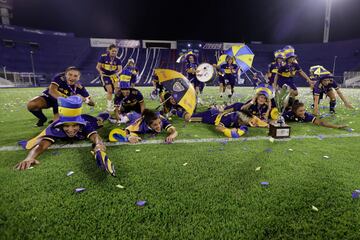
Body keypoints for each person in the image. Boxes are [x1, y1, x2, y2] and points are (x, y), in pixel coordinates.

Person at [16, 96, 116, 176]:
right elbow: (41, 145)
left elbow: (95, 136)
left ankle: (106, 113)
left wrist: (98, 145)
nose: (71, 130)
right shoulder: (55, 127)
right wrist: (29, 157)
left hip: (88, 119)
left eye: (75, 125)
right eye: (67, 126)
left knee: (99, 120)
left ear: (79, 124)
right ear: (61, 124)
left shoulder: (85, 124)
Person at [27, 66, 94, 127]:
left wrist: (85, 99)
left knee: (56, 125)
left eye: (75, 76)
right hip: (49, 98)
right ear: (65, 74)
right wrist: (67, 100)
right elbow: (52, 91)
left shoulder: (80, 87)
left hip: (61, 105)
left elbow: (92, 103)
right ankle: (42, 119)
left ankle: (56, 120)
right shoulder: (60, 78)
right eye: (70, 75)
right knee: (31, 104)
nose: (72, 78)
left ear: (79, 77)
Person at [109, 109, 178, 144]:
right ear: (148, 125)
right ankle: (116, 116)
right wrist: (129, 137)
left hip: (142, 116)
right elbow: (118, 133)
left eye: (159, 123)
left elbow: (174, 130)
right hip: (133, 116)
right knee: (122, 120)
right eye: (155, 125)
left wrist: (172, 135)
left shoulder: (160, 119)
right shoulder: (139, 126)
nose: (159, 126)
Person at [282, 100, 348, 129]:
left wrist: (336, 126)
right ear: (294, 111)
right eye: (300, 111)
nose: (303, 112)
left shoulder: (307, 116)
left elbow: (321, 123)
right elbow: (276, 121)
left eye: (304, 110)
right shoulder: (288, 114)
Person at [96, 44, 122, 112]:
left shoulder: (118, 59)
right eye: (113, 51)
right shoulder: (103, 57)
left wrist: (117, 73)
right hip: (106, 76)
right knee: (110, 91)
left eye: (115, 51)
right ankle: (109, 107)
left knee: (117, 90)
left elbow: (120, 70)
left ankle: (117, 105)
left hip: (114, 76)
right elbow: (98, 67)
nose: (114, 52)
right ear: (109, 50)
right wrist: (100, 72)